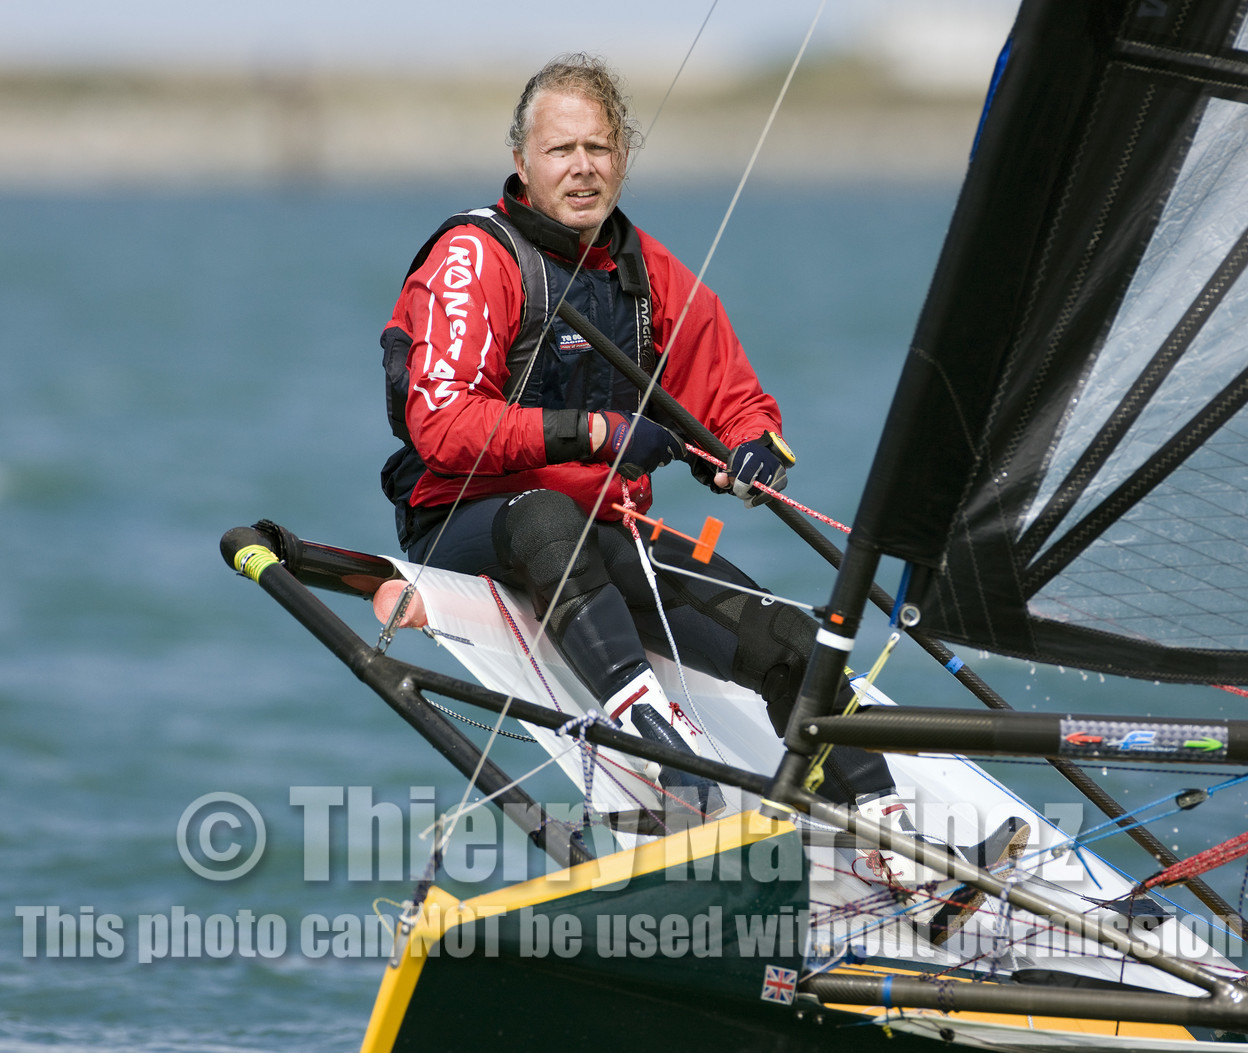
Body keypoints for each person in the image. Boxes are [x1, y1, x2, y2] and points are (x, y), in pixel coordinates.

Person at [378, 53, 897, 818]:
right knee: (548, 519)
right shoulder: (474, 259)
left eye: (600, 149)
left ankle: (899, 833)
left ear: (623, 158)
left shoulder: (646, 272)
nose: (582, 169)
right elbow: (446, 425)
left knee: (793, 641)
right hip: (466, 522)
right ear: (522, 162)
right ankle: (660, 749)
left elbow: (735, 400)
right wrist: (596, 432)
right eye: (561, 151)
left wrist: (749, 448)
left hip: (603, 535)